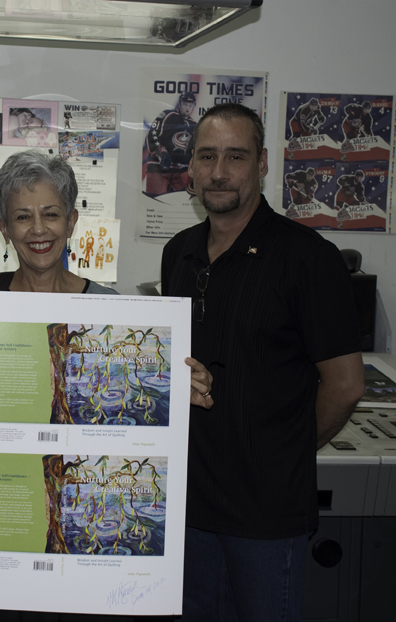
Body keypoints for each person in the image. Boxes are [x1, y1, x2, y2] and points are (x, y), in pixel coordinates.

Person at [0, 150, 214, 622]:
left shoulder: (110, 310)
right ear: (4, 227)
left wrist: (181, 390)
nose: (38, 229)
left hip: (80, 521)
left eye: (51, 214)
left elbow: (135, 415)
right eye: (22, 217)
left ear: (72, 221)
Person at [161, 103, 365, 622]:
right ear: (191, 166)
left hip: (266, 518)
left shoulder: (308, 258)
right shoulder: (179, 253)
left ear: (263, 164)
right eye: (207, 156)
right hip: (188, 508)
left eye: (236, 156)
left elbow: (345, 386)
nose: (219, 172)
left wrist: (284, 452)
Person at [145, 91, 197, 197]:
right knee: (154, 201)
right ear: (180, 104)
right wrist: (160, 151)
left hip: (181, 171)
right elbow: (152, 134)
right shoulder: (168, 115)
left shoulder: (194, 125)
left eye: (190, 105)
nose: (188, 108)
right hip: (159, 168)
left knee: (182, 202)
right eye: (185, 104)